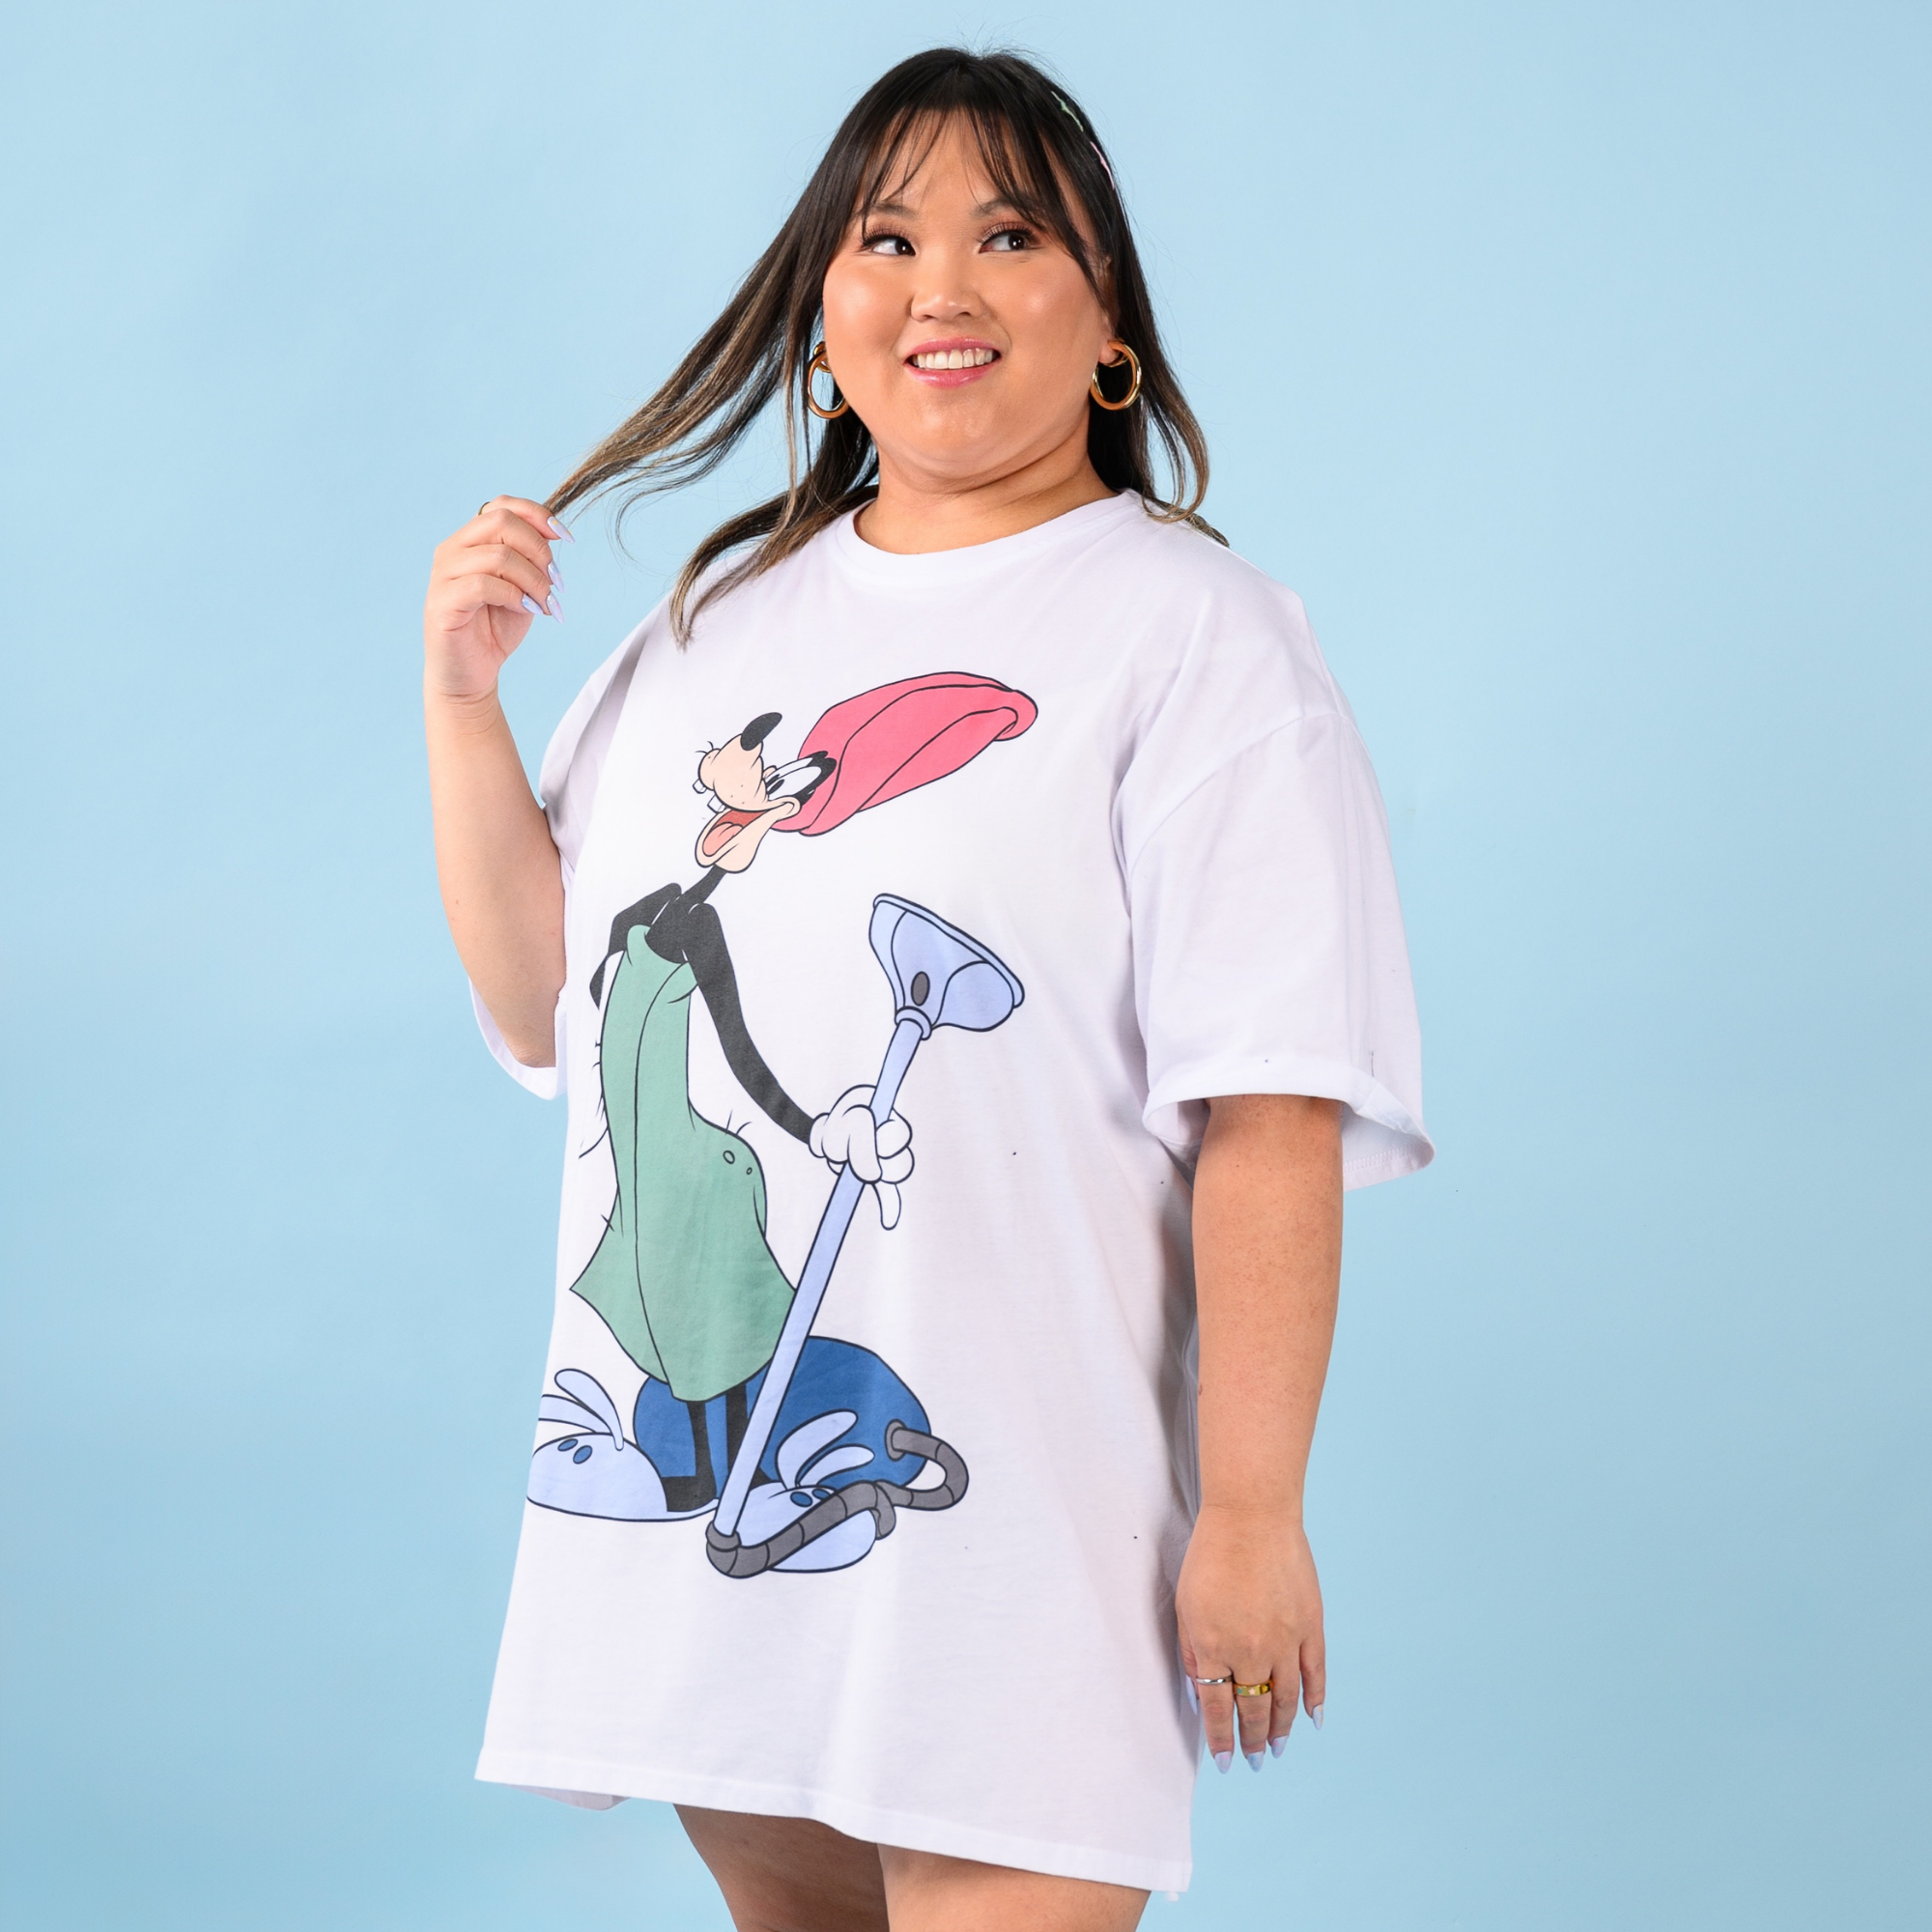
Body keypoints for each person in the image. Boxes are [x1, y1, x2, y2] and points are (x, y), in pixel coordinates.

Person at [422, 45, 1431, 1932]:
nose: (941, 285)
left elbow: (1270, 1104)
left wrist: (1250, 1508)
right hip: (734, 1535)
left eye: (1011, 235)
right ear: (823, 323)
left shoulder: (1197, 641)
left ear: (1108, 327)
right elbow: (553, 991)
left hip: (1022, 1548)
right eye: (886, 239)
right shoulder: (710, 628)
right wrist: (464, 704)